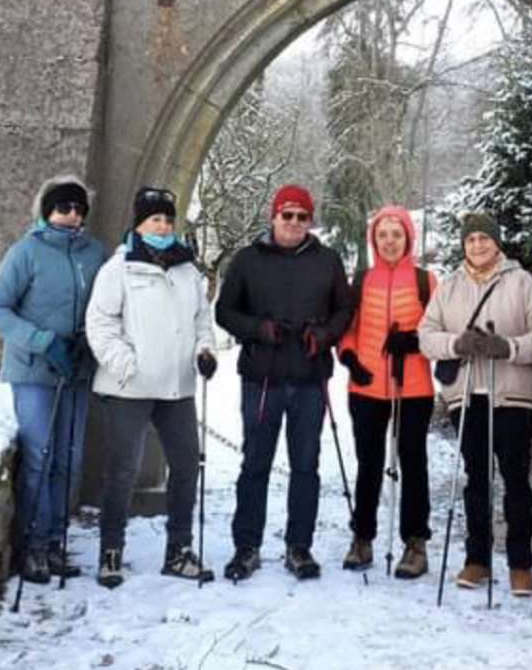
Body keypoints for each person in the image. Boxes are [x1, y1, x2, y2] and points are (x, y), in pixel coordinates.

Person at [215, 184, 354, 581]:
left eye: (301, 216)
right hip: (263, 378)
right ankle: (247, 546)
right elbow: (225, 311)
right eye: (287, 214)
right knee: (255, 463)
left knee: (306, 465)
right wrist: (258, 328)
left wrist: (324, 335)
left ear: (310, 221)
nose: (294, 222)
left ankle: (299, 546)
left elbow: (345, 308)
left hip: (310, 378)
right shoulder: (248, 259)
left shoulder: (327, 260)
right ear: (273, 217)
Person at [85, 186, 218, 588]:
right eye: (154, 219)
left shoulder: (187, 270)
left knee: (186, 465)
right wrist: (126, 364)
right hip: (129, 387)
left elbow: (201, 321)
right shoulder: (118, 268)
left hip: (176, 387)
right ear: (139, 224)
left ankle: (178, 549)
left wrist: (205, 351)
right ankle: (111, 551)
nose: (162, 226)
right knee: (122, 470)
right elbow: (100, 324)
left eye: (167, 220)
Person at [0, 175, 107, 584]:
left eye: (78, 209)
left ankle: (55, 539)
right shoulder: (26, 252)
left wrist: (87, 343)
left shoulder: (95, 254)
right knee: (41, 456)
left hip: (76, 371)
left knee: (69, 460)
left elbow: (105, 307)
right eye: (62, 208)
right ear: (47, 211)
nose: (71, 215)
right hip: (34, 371)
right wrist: (42, 341)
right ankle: (33, 544)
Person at [419, 211, 532, 596]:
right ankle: (477, 559)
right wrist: (456, 343)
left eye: (484, 238)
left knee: (516, 479)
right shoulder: (449, 286)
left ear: (496, 242)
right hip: (466, 394)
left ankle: (521, 562)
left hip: (513, 394)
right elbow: (426, 335)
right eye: (471, 239)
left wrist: (508, 347)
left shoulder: (521, 281)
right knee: (476, 479)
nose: (477, 245)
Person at [336, 206, 437, 578]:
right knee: (369, 463)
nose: (390, 241)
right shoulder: (362, 280)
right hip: (366, 385)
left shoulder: (426, 280)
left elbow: (439, 328)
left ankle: (415, 542)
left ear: (408, 237)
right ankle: (362, 537)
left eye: (397, 234)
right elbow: (348, 328)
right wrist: (349, 357)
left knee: (413, 462)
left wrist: (414, 341)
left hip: (413, 387)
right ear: (373, 239)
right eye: (383, 235)